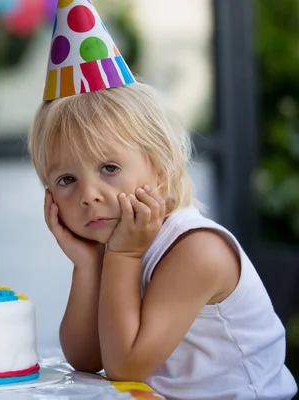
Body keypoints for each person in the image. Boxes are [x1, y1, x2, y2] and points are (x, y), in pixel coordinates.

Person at [27, 1, 297, 399]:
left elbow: (124, 368)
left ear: (161, 168)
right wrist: (88, 264)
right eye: (66, 179)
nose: (88, 195)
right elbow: (86, 359)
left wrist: (123, 257)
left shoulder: (197, 250)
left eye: (109, 168)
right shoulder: (120, 247)